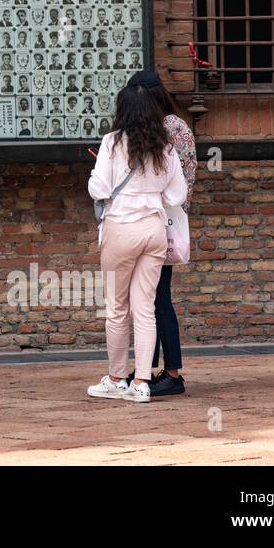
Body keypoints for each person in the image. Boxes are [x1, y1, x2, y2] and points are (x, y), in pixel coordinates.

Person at [86, 79, 187, 403]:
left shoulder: (112, 143)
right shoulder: (166, 147)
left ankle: (117, 377)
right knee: (145, 309)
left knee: (117, 309)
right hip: (154, 229)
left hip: (121, 228)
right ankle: (142, 382)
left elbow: (98, 188)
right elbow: (177, 194)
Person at [130, 70, 196, 397]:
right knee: (153, 298)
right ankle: (151, 369)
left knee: (158, 298)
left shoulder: (170, 128)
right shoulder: (173, 126)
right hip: (160, 219)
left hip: (163, 221)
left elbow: (172, 182)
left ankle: (172, 373)